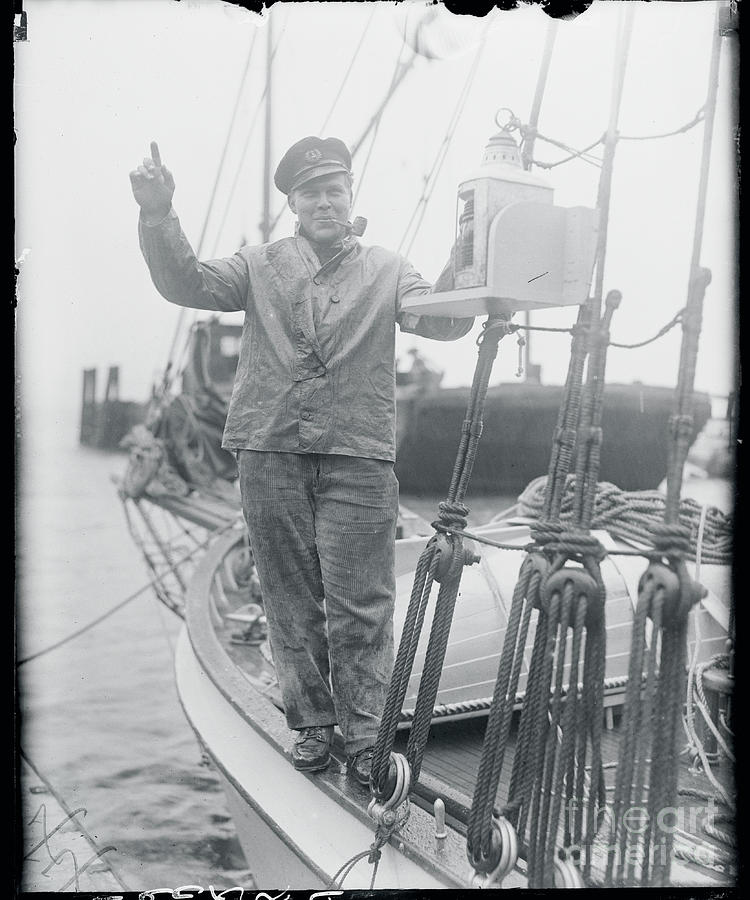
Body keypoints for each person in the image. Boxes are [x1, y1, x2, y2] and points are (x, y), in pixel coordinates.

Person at [130, 136, 474, 786]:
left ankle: (371, 744)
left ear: (350, 197)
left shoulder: (389, 268)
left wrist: (466, 247)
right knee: (289, 602)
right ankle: (313, 727)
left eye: (334, 189)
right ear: (294, 203)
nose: (324, 201)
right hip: (269, 453)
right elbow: (185, 283)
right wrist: (158, 214)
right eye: (310, 192)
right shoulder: (257, 265)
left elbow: (446, 322)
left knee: (362, 608)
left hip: (359, 458)